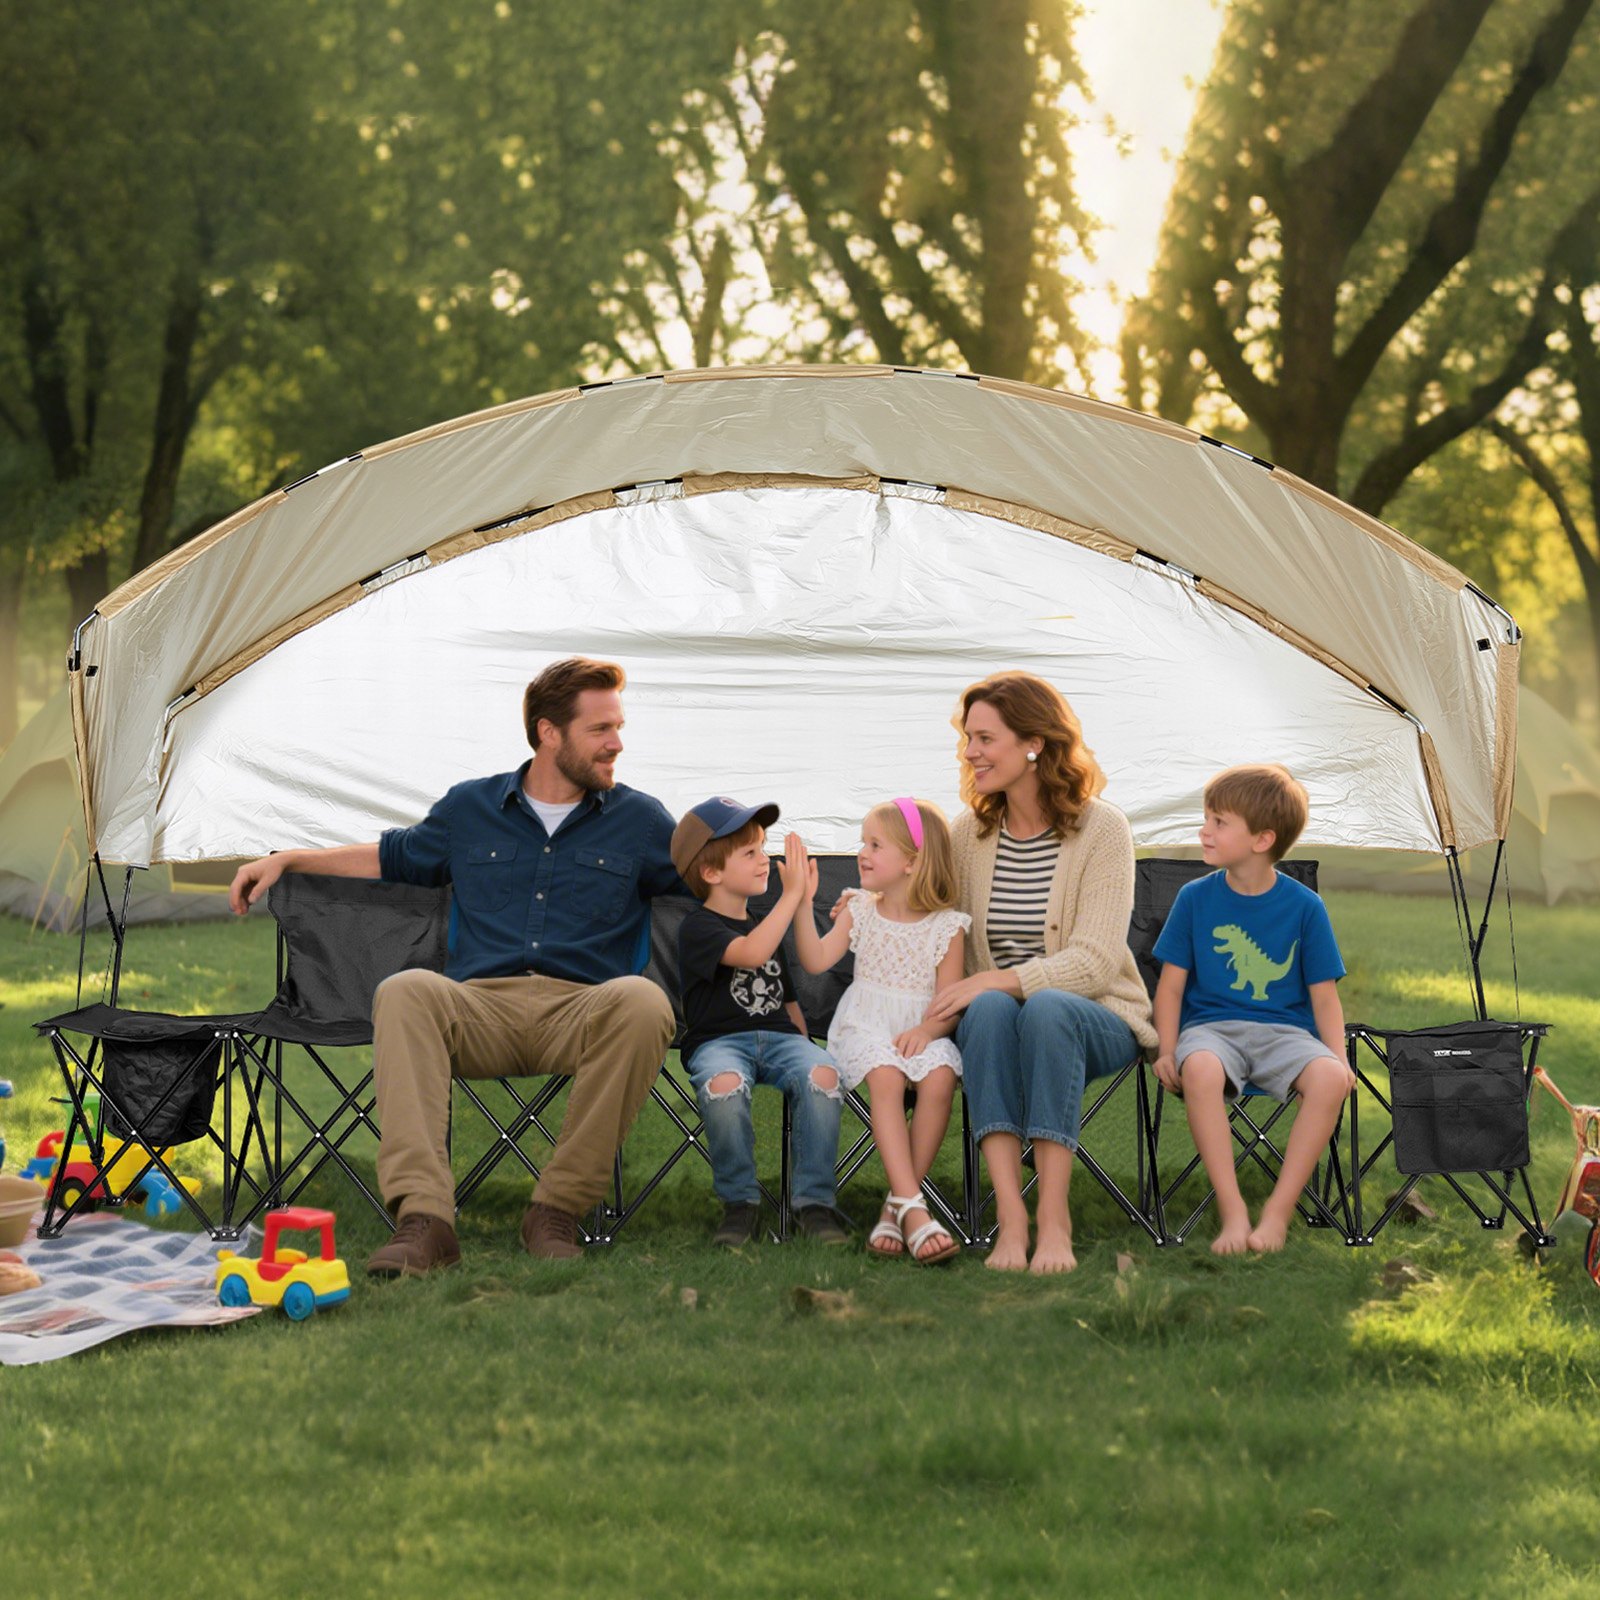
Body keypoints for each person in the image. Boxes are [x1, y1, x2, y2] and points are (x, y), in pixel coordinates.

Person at [227, 657, 680, 1276]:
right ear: (550, 732)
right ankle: (425, 1220)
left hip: (583, 1011)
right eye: (601, 729)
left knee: (645, 1001)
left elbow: (713, 877)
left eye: (618, 727)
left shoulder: (642, 820)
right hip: (480, 1009)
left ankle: (557, 1210)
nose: (617, 743)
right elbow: (395, 856)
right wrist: (290, 859)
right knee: (407, 990)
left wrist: (793, 891)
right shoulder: (472, 809)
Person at [924, 672, 1157, 1274]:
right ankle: (1010, 1214)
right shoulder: (965, 835)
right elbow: (931, 918)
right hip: (997, 1025)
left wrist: (994, 981)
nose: (970, 752)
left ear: (1034, 744)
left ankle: (1054, 1216)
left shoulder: (1102, 829)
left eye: (984, 738)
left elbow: (1097, 961)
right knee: (996, 1009)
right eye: (967, 738)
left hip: (1097, 1016)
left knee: (1043, 1006)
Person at [1150, 764, 1353, 1254]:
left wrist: (1338, 1059)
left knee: (1328, 1079)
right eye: (1207, 819)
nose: (1205, 830)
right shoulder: (1194, 898)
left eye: (1219, 822)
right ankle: (1233, 1210)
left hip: (1285, 1034)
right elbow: (1171, 987)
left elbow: (1324, 996)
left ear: (1262, 839)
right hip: (1211, 1032)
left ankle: (1278, 1215)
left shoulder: (1305, 907)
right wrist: (1166, 1048)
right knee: (1198, 1069)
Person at [795, 798, 969, 1264]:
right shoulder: (860, 909)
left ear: (912, 862)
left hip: (922, 1029)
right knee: (888, 1076)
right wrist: (800, 903)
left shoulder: (948, 927)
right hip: (865, 1026)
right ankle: (916, 1209)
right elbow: (814, 961)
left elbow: (949, 1002)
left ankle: (895, 1209)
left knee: (939, 1079)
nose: (862, 853)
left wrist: (929, 1030)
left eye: (875, 844)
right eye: (862, 843)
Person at [671, 798, 848, 1247]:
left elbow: (787, 999)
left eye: (763, 848)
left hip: (780, 1038)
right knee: (725, 1086)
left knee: (823, 1075)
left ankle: (815, 1205)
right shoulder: (698, 928)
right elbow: (749, 954)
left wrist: (807, 1050)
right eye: (749, 853)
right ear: (711, 873)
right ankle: (740, 1205)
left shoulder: (760, 922)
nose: (764, 860)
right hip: (719, 1043)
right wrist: (791, 897)